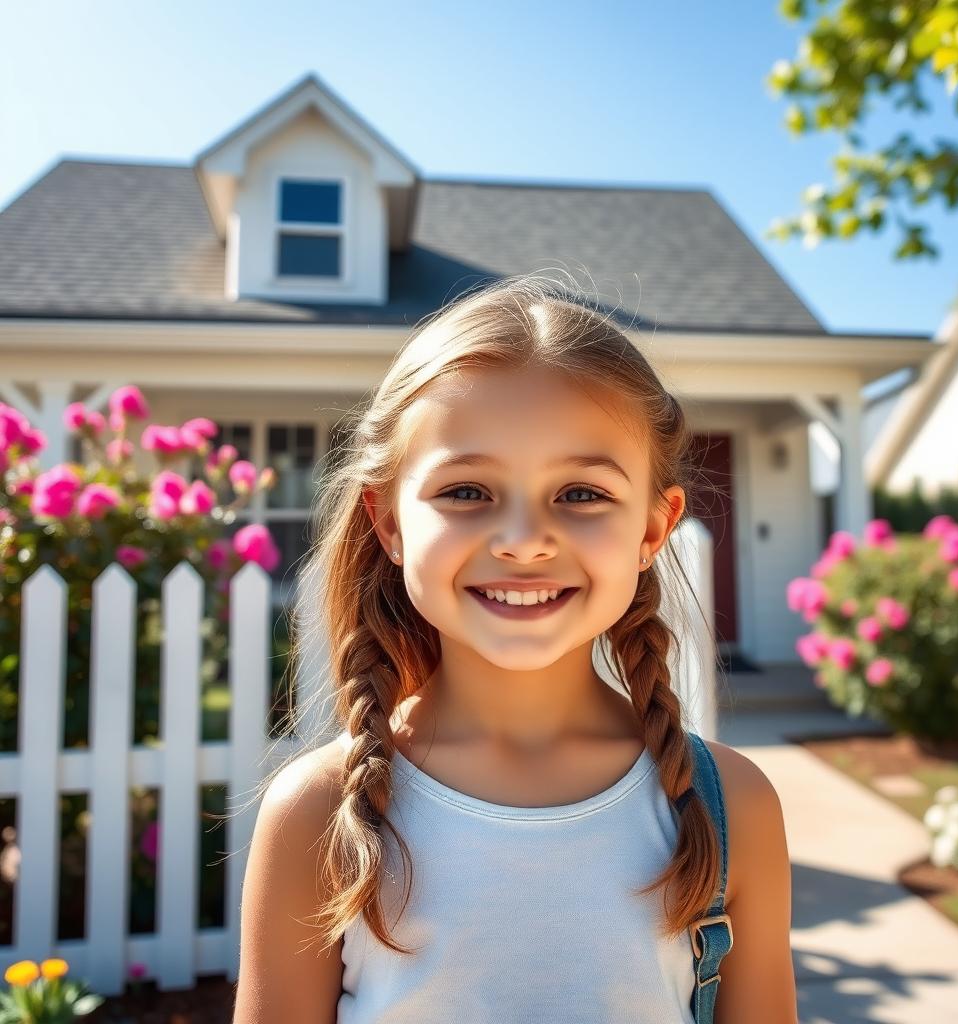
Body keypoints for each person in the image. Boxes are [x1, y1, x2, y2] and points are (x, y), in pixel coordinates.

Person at [233, 274, 798, 1024]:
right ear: (389, 523)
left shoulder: (734, 807)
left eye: (582, 494)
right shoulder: (315, 815)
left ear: (653, 531)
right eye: (467, 492)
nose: (526, 540)